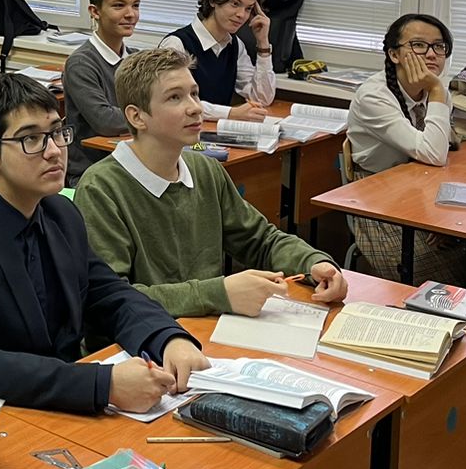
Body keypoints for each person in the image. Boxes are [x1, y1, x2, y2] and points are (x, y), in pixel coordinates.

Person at [0, 73, 208, 414]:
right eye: (31, 139)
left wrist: (167, 337)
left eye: (58, 133)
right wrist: (102, 385)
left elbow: (109, 294)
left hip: (51, 407)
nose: (54, 151)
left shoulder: (59, 212)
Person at [76, 48, 346, 318]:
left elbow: (260, 240)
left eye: (194, 94)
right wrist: (218, 294)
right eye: (174, 97)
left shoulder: (204, 170)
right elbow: (111, 298)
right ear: (137, 117)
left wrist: (313, 262)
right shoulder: (101, 189)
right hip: (143, 337)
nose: (195, 108)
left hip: (206, 327)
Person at [346, 13, 466, 284]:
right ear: (394, 55)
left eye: (439, 46)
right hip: (377, 195)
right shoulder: (374, 95)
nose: (432, 54)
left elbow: (439, 151)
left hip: (423, 187)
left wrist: (438, 215)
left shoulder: (435, 91)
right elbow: (434, 155)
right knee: (431, 269)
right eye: (419, 45)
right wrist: (436, 90)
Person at [159, 0, 274, 121]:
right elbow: (174, 101)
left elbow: (262, 98)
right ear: (213, 0)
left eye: (248, 9)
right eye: (235, 4)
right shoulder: (177, 43)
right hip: (181, 130)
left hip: (215, 129)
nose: (241, 15)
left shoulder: (236, 45)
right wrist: (230, 113)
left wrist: (263, 43)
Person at [62, 0, 142, 184]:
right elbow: (105, 121)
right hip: (92, 173)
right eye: (119, 5)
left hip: (132, 163)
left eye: (135, 5)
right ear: (95, 11)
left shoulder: (136, 59)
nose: (130, 14)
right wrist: (154, 117)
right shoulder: (81, 63)